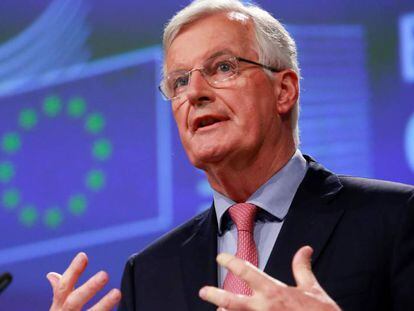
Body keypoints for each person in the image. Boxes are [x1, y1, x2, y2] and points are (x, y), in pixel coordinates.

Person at [47, 0, 414, 310]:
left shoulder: (396, 219)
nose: (195, 93)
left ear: (284, 91)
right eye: (179, 81)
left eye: (223, 67)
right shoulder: (148, 273)